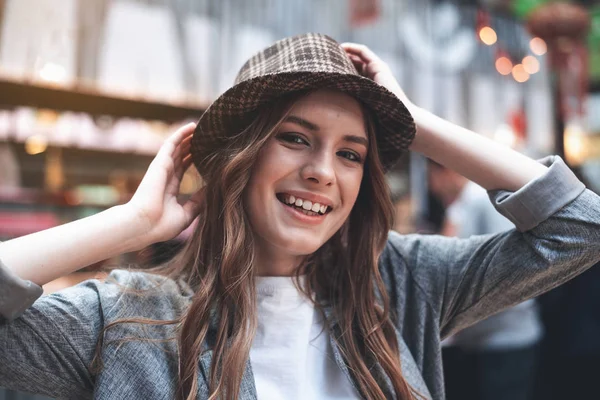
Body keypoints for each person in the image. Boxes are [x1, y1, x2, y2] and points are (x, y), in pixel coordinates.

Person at [0, 33, 598, 400]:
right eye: (294, 138)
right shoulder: (129, 318)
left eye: (350, 154)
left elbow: (580, 227)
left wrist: (415, 121)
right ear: (241, 157)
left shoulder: (399, 284)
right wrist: (130, 223)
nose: (323, 172)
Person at [428, 162, 542, 400]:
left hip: (504, 341)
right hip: (481, 341)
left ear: (447, 172)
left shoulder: (482, 201)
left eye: (432, 176)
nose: (432, 186)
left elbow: (513, 271)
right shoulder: (461, 206)